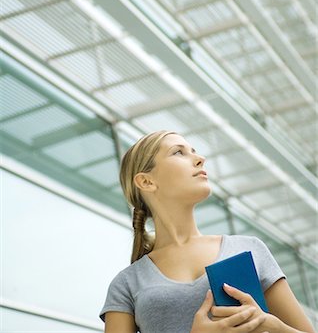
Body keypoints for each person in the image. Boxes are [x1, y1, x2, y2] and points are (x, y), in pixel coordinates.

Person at [99, 130, 315, 333]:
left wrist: (271, 324)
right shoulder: (127, 284)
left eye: (194, 151)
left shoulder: (249, 249)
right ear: (146, 181)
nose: (200, 158)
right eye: (178, 152)